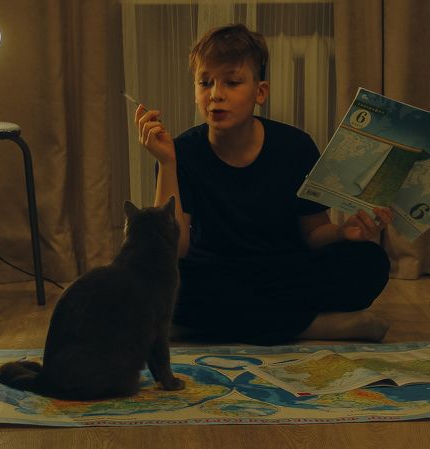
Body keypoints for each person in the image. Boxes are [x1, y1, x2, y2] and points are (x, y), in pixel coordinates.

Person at [133, 23, 392, 345]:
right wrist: (166, 163)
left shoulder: (295, 146)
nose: (216, 94)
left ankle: (200, 327)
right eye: (205, 82)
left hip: (284, 270)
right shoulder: (180, 153)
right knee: (155, 276)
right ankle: (312, 327)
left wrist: (342, 232)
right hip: (214, 272)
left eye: (232, 82)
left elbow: (313, 233)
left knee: (370, 263)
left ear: (260, 92)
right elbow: (174, 249)